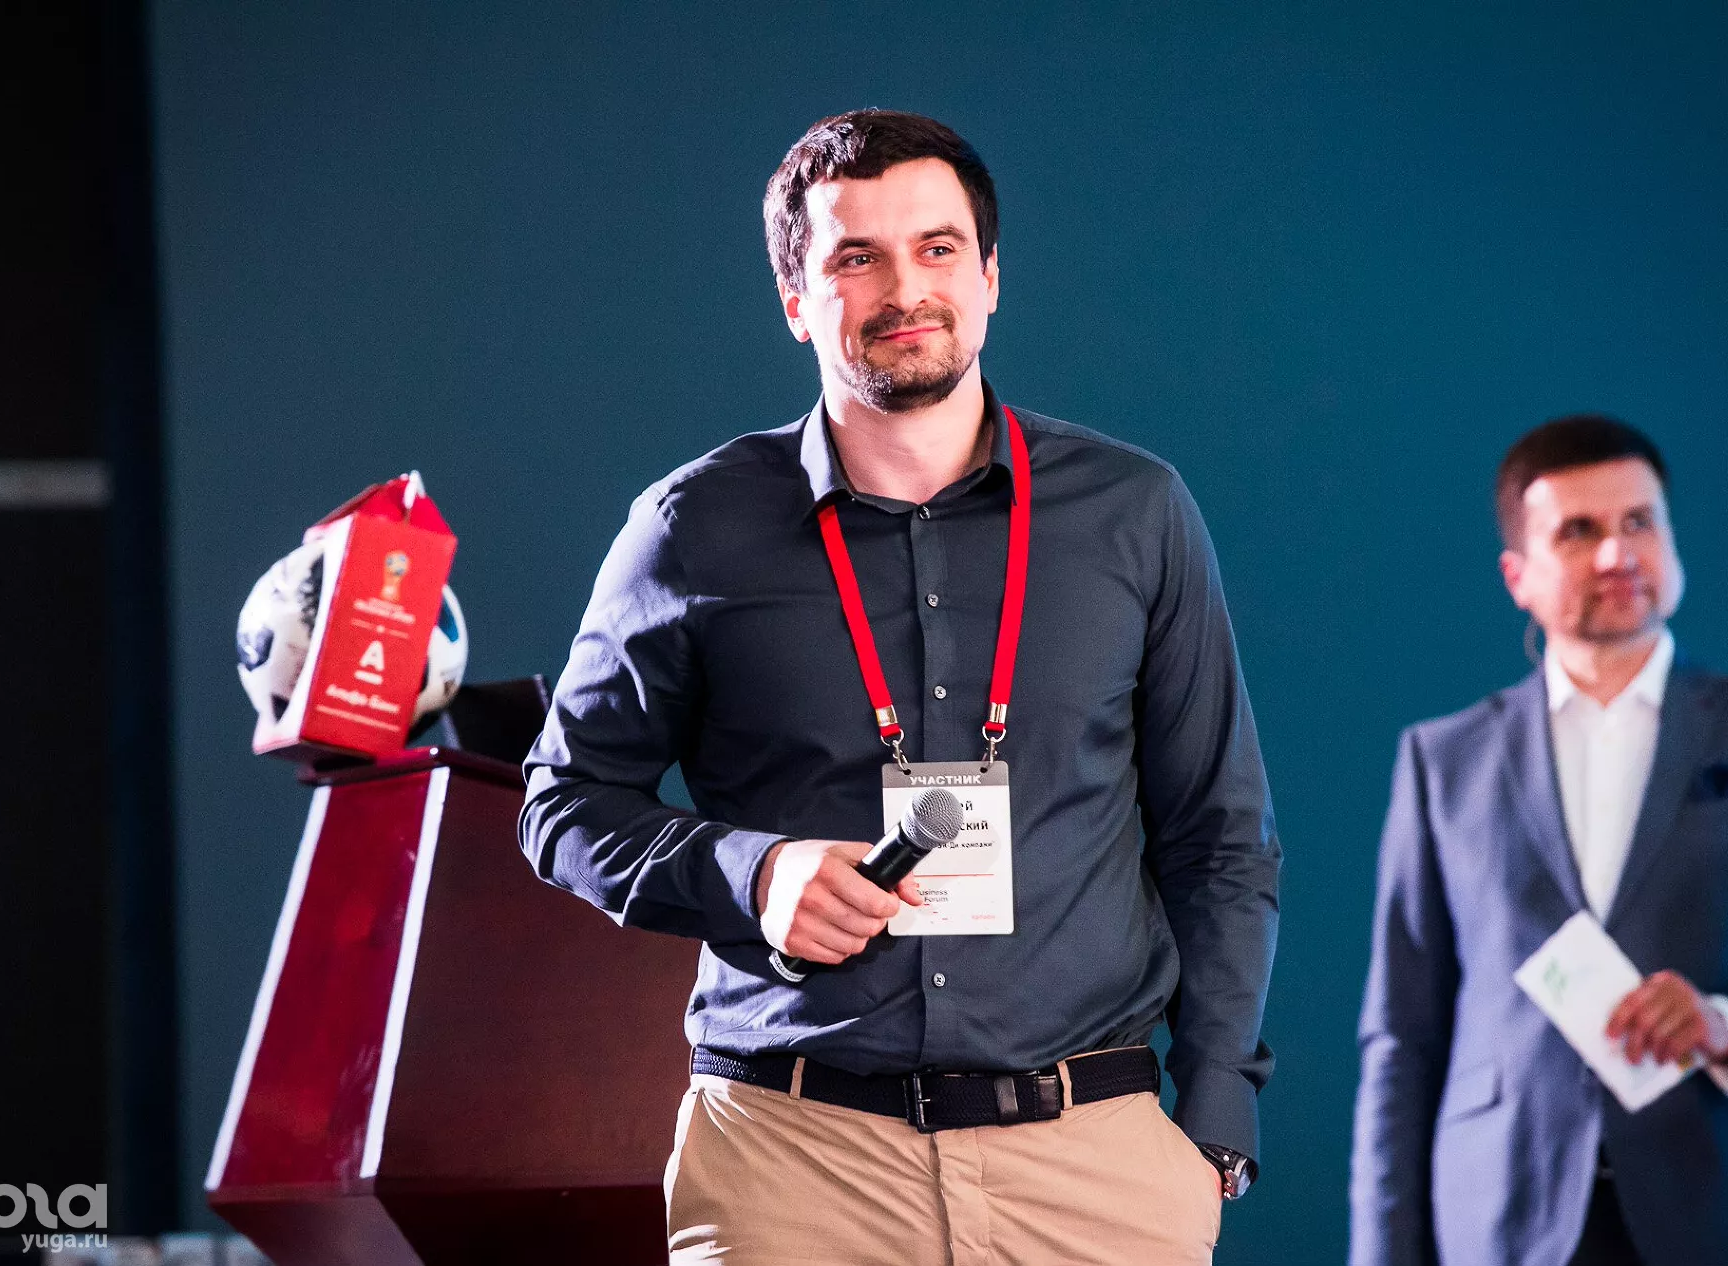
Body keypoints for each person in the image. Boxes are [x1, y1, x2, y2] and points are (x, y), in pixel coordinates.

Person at [519, 109, 1280, 1265]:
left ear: (989, 278)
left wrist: (1215, 1109)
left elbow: (1217, 835)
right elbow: (561, 805)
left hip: (1091, 1163)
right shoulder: (688, 528)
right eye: (855, 257)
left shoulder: (1133, 513)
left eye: (935, 248)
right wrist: (752, 874)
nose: (904, 289)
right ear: (795, 299)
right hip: (793, 1162)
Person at [1350, 414, 1728, 1266]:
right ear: (1517, 576)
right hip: (1500, 1221)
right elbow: (1402, 1037)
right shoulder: (1443, 763)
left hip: (1725, 1216)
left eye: (1639, 522)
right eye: (1579, 532)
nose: (1618, 554)